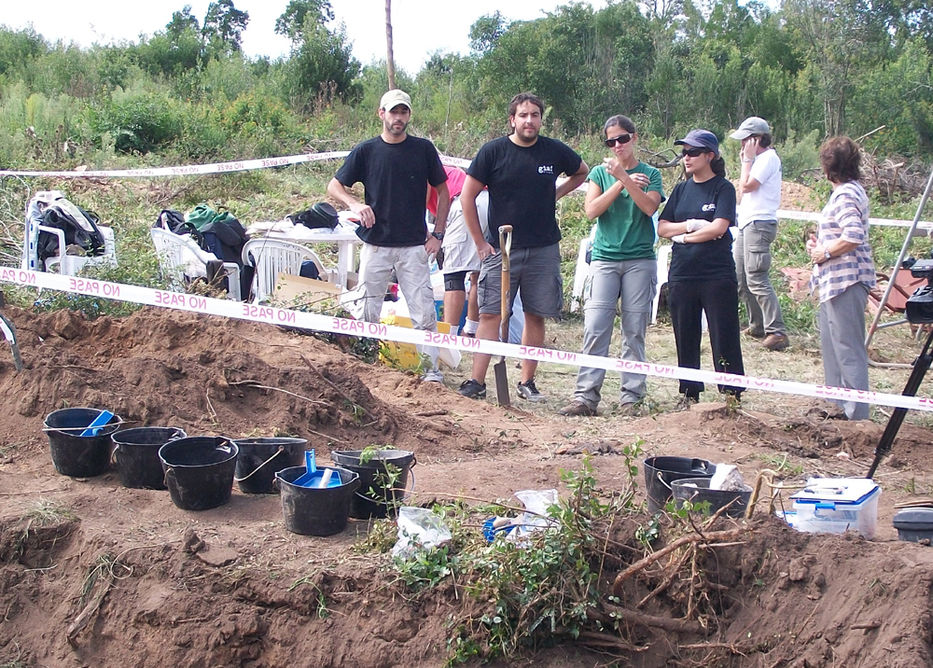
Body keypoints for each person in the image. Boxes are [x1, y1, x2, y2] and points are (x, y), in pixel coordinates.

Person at [457, 92, 588, 401]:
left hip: (543, 248)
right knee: (490, 314)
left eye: (535, 115)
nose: (530, 120)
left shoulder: (553, 151)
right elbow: (467, 197)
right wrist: (479, 243)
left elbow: (582, 171)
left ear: (541, 119)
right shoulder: (493, 152)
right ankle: (477, 381)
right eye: (523, 115)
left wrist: (555, 195)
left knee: (535, 314)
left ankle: (527, 382)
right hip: (500, 249)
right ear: (512, 120)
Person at [327, 89, 449, 381]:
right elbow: (333, 186)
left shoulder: (423, 149)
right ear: (381, 114)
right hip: (377, 244)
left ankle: (430, 370)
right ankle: (365, 362)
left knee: (424, 312)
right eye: (393, 112)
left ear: (408, 115)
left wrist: (438, 234)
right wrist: (355, 204)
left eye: (403, 112)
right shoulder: (367, 151)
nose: (398, 118)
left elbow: (444, 192)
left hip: (413, 246)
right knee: (367, 308)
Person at [558, 115, 664, 417]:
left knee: (634, 330)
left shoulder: (652, 174)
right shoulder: (599, 174)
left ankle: (632, 396)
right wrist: (620, 182)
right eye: (611, 141)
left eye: (622, 138)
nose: (617, 145)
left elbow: (649, 207)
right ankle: (585, 397)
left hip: (639, 259)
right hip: (605, 258)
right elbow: (591, 211)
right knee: (595, 327)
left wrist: (626, 178)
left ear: (634, 138)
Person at [657, 129, 744, 408]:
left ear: (710, 155)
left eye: (693, 152)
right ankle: (689, 391)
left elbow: (720, 227)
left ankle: (731, 392)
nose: (687, 157)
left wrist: (684, 237)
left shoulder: (723, 188)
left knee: (724, 332)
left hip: (716, 273)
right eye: (684, 152)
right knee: (685, 332)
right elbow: (662, 227)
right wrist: (691, 227)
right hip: (683, 273)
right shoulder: (681, 189)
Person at [806, 136, 875, 420]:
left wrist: (823, 251)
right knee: (834, 349)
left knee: (847, 349)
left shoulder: (846, 194)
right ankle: (836, 407)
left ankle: (857, 415)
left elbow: (853, 236)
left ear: (827, 167)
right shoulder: (849, 191)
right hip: (835, 283)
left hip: (846, 282)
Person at [730, 116, 789, 351]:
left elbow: (746, 186)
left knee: (757, 277)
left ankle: (777, 331)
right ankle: (758, 325)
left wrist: (747, 161)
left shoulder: (767, 159)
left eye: (745, 140)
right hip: (747, 223)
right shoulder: (759, 160)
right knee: (742, 278)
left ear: (756, 139)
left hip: (759, 224)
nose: (742, 145)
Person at [427, 165, 488, 337]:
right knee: (478, 273)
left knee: (454, 274)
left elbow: (421, 198)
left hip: (464, 204)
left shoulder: (419, 163)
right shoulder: (447, 169)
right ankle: (471, 330)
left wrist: (435, 235)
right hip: (488, 202)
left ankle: (449, 336)